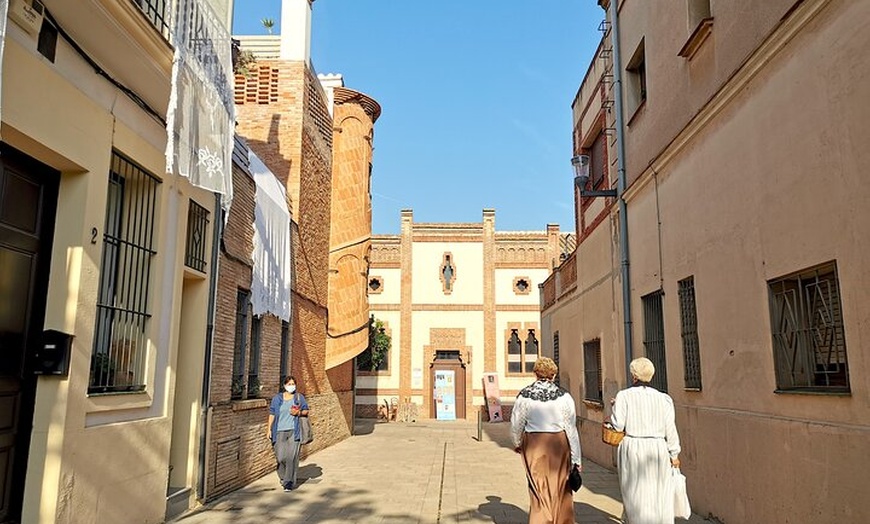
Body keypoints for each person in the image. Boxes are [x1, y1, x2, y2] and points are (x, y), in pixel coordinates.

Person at [610, 357, 681, 523]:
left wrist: (614, 406)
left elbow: (618, 425)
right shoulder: (663, 398)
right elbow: (670, 428)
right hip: (658, 448)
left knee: (635, 493)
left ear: (633, 375)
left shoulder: (624, 396)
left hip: (633, 447)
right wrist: (674, 454)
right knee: (659, 492)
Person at [510, 357, 581, 524]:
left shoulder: (525, 396)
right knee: (561, 487)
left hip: (534, 444)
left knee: (538, 487)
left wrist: (517, 443)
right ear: (554, 375)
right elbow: (571, 428)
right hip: (559, 444)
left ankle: (541, 519)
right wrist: (576, 458)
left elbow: (516, 423)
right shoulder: (564, 396)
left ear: (535, 374)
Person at [268, 375, 310, 492]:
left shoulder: (298, 397)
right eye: (289, 384)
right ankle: (283, 477)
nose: (291, 386)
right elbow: (272, 414)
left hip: (294, 431)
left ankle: (288, 482)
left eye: (293, 384)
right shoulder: (277, 399)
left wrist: (298, 412)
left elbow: (306, 411)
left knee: (291, 457)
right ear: (284, 385)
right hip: (279, 431)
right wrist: (268, 429)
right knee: (281, 457)